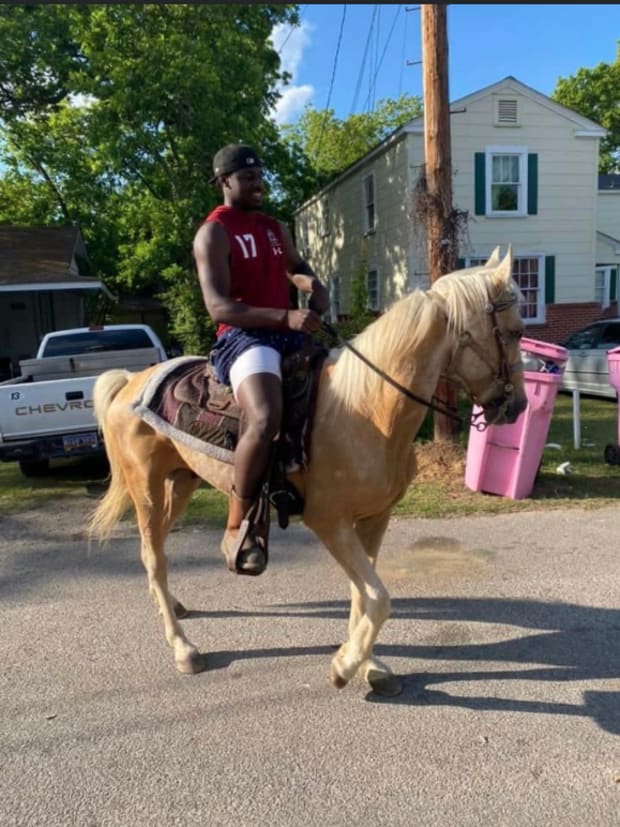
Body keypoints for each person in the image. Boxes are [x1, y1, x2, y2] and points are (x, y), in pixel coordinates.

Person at [193, 143, 329, 575]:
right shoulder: (214, 232)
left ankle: (302, 478)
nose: (258, 184)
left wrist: (312, 283)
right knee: (265, 416)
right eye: (248, 177)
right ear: (224, 181)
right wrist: (285, 316)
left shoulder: (273, 227)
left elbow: (294, 266)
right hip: (244, 337)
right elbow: (218, 307)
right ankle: (237, 526)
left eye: (260, 176)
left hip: (286, 333)